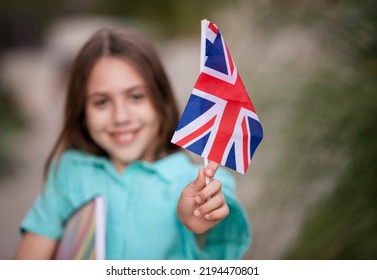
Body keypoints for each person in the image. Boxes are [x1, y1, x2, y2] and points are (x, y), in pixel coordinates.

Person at [15, 26, 250, 260]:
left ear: (161, 100)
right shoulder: (69, 172)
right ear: (82, 112)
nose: (121, 117)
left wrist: (201, 216)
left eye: (136, 96)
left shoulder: (200, 181)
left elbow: (221, 237)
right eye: (101, 102)